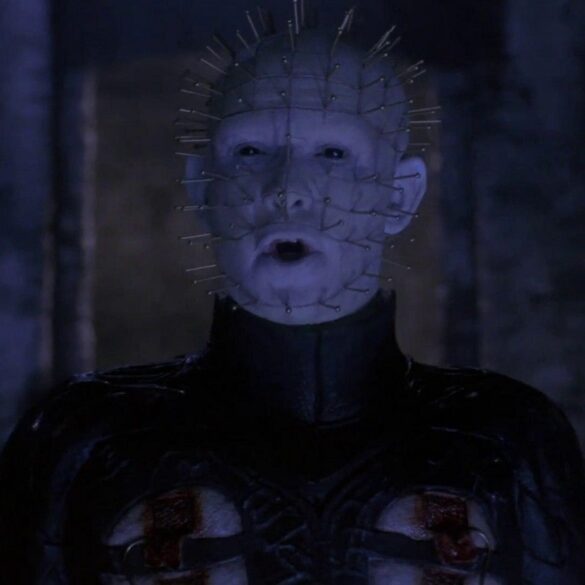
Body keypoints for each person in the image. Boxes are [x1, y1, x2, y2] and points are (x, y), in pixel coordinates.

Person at [1, 6, 584, 584]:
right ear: (203, 188)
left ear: (399, 196)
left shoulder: (510, 441)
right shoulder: (82, 439)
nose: (286, 191)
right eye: (250, 152)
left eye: (332, 155)